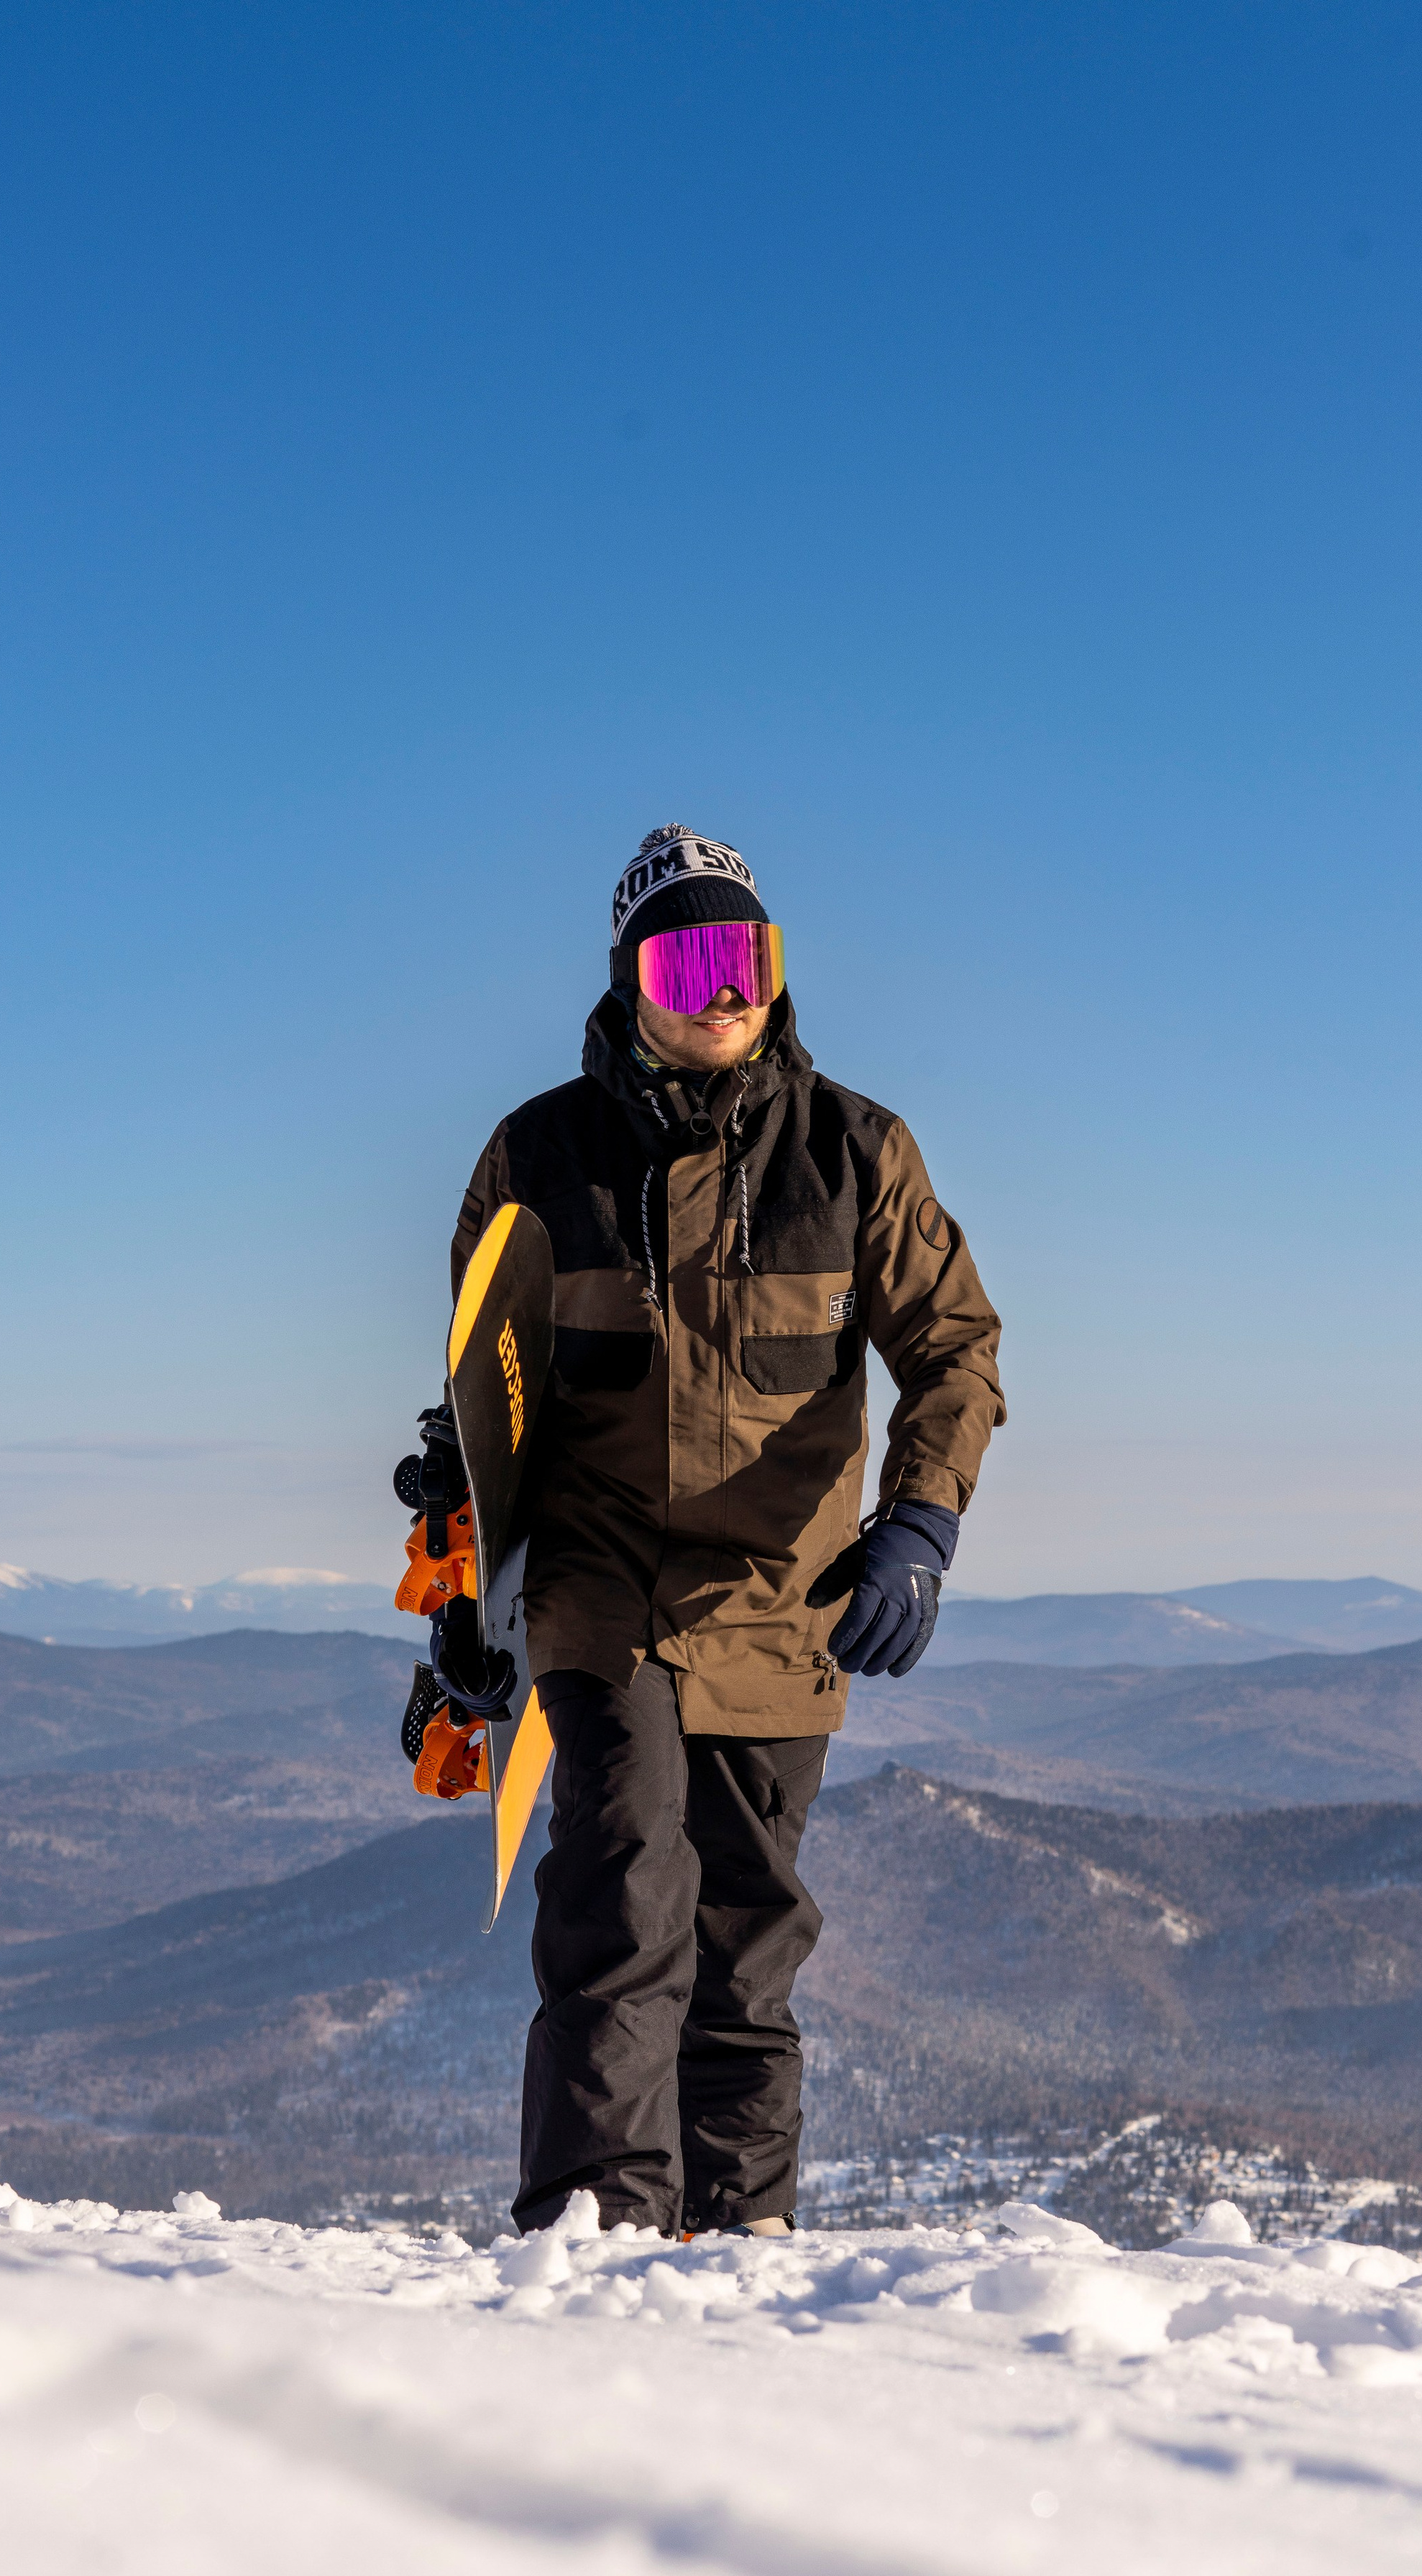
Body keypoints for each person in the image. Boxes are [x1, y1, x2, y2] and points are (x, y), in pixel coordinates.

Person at [449, 823, 1004, 2237]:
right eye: (688, 955)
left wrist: (920, 1524)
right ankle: (594, 2236)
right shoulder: (538, 1156)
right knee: (623, 1907)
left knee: (745, 1950)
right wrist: (472, 1603)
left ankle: (738, 2249)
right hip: (602, 1594)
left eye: (743, 953)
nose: (721, 988)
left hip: (782, 1603)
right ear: (633, 977)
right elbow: (480, 1398)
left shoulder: (854, 1153)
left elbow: (954, 1351)